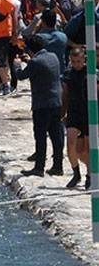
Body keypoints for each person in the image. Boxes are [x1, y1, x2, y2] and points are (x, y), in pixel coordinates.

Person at [15, 35, 64, 177]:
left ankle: (39, 167)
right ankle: (58, 166)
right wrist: (29, 61)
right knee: (56, 135)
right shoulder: (53, 57)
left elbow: (21, 76)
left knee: (40, 136)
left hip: (42, 105)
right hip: (56, 102)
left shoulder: (35, 62)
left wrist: (17, 64)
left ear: (30, 49)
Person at [62, 47, 92, 188]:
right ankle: (76, 173)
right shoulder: (68, 74)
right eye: (73, 61)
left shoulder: (91, 73)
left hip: (88, 114)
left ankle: (90, 175)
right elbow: (65, 94)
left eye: (79, 61)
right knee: (70, 145)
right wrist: (62, 112)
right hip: (73, 113)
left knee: (85, 149)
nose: (76, 64)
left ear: (84, 59)